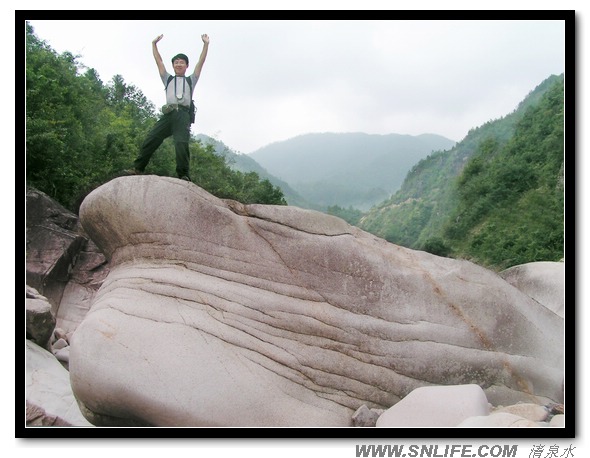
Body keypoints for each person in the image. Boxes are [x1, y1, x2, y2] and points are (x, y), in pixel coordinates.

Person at [126, 33, 209, 181]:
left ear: (186, 66)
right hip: (169, 114)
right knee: (151, 138)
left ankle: (183, 175)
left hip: (182, 115)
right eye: (176, 62)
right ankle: (137, 168)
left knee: (181, 144)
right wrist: (154, 45)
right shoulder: (167, 78)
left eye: (181, 62)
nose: (178, 64)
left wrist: (206, 45)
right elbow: (159, 61)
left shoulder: (191, 80)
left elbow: (200, 63)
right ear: (173, 65)